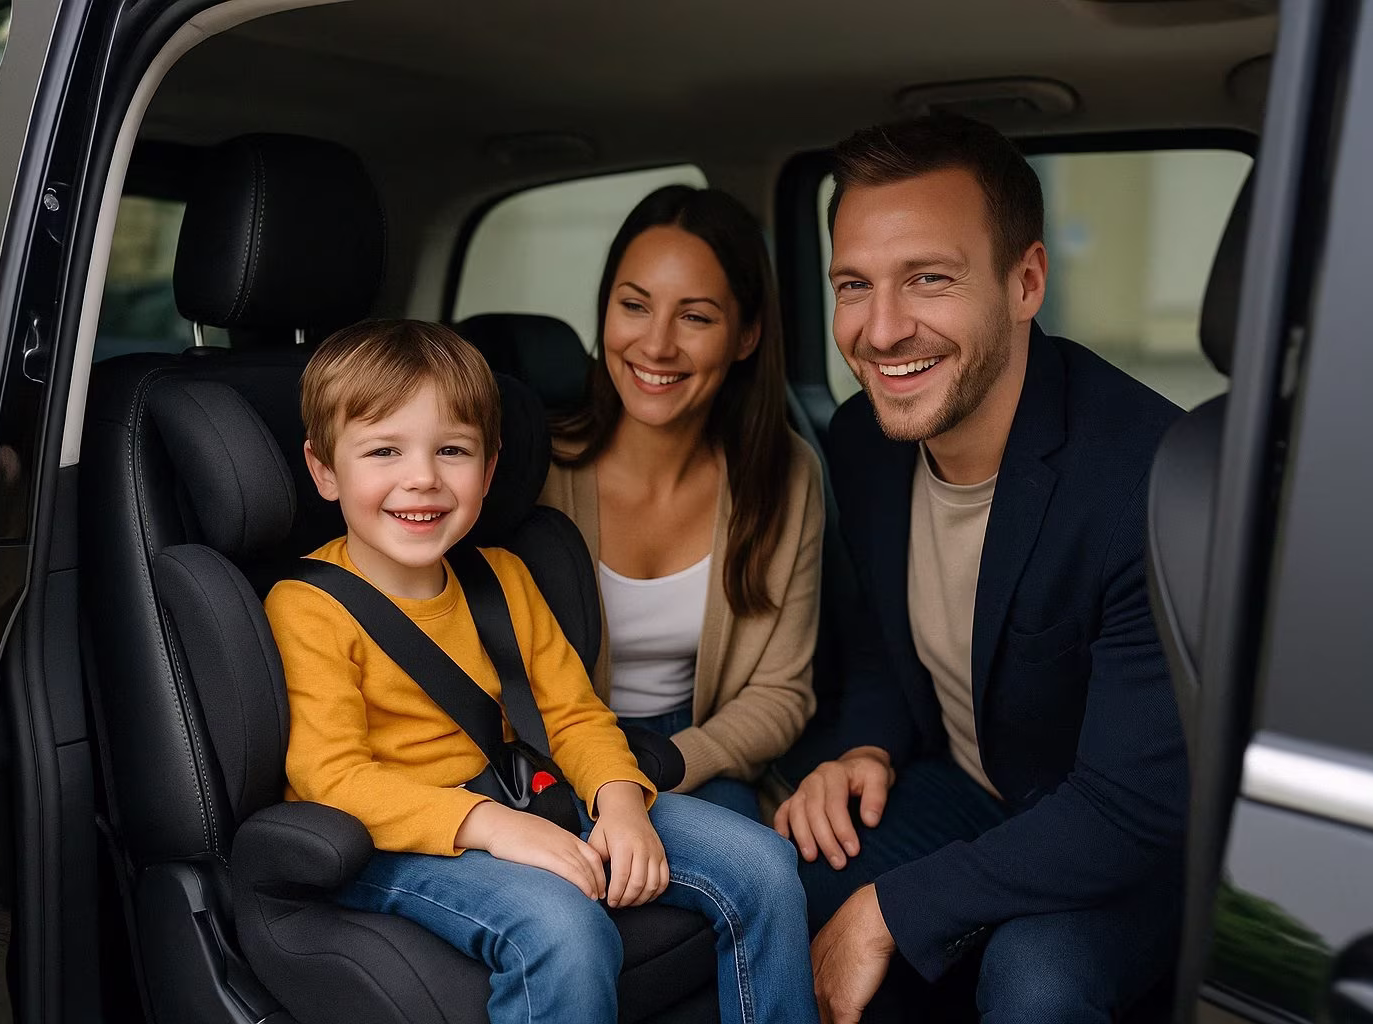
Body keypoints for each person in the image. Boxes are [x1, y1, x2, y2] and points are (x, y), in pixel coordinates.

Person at [265, 319, 817, 1024]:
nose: (423, 478)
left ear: (490, 470)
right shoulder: (308, 607)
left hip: (527, 796)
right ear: (324, 470)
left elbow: (575, 716)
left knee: (766, 866)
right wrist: (492, 826)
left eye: (453, 451)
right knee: (564, 928)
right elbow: (333, 779)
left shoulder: (503, 577)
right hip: (394, 840)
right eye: (383, 451)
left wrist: (619, 803)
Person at [774, 115, 1189, 1023]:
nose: (882, 331)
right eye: (854, 285)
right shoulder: (863, 439)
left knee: (1037, 981)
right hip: (969, 788)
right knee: (776, 881)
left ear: (1026, 281)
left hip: (1123, 840)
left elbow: (1132, 806)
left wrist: (891, 911)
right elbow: (886, 646)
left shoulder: (1146, 480)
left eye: (928, 278)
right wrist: (867, 746)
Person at [541, 185, 825, 822]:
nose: (658, 345)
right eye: (634, 306)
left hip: (697, 750)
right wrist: (600, 776)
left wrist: (666, 764)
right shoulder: (534, 472)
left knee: (765, 864)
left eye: (695, 317)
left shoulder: (784, 473)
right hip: (548, 756)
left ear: (747, 335)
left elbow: (781, 691)